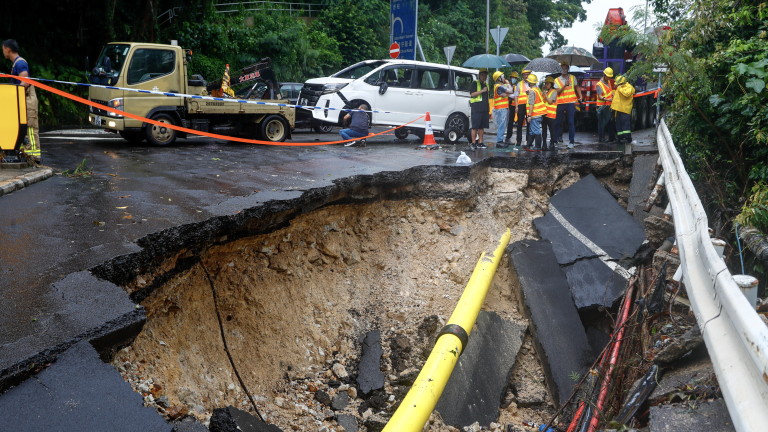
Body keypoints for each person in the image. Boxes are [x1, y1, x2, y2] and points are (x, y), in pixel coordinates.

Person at [3, 39, 40, 163]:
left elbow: (25, 81)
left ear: (7, 49)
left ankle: (34, 157)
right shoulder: (16, 64)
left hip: (28, 100)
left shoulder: (20, 63)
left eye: (3, 49)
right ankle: (26, 155)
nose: (3, 52)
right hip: (22, 101)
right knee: (23, 129)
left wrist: (14, 93)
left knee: (30, 129)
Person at [554, 62, 583, 149]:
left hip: (570, 102)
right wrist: (564, 85)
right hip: (560, 103)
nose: (564, 70)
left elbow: (577, 87)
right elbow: (558, 92)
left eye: (565, 68)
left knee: (571, 122)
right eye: (562, 68)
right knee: (558, 122)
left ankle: (571, 141)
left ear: (568, 69)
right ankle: (555, 140)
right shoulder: (556, 80)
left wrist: (580, 96)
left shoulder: (572, 77)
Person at [507, 69, 531, 147]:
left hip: (529, 106)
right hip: (521, 106)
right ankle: (519, 141)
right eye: (525, 74)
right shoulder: (519, 84)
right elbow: (516, 96)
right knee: (519, 124)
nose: (526, 76)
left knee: (529, 123)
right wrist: (516, 106)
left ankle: (528, 141)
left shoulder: (533, 84)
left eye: (527, 74)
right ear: (522, 76)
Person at [491, 71, 514, 148]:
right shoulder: (499, 86)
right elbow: (511, 91)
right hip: (501, 109)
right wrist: (508, 83)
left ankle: (500, 140)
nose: (504, 77)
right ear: (499, 78)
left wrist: (506, 94)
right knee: (502, 125)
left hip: (500, 108)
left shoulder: (498, 86)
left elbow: (505, 94)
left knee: (502, 125)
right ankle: (499, 142)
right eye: (503, 76)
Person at [611, 75, 636, 144]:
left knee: (625, 125)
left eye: (618, 84)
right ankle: (620, 138)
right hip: (618, 109)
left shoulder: (628, 87)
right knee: (618, 125)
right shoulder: (620, 87)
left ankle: (628, 139)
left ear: (621, 83)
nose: (617, 85)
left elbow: (627, 94)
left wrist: (619, 88)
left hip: (625, 109)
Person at [468, 69, 490, 149]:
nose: (484, 77)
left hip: (484, 108)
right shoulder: (475, 83)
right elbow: (472, 94)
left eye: (486, 75)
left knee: (482, 126)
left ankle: (480, 142)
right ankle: (473, 143)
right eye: (483, 75)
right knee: (475, 126)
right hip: (476, 107)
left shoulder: (486, 84)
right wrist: (482, 91)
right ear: (479, 75)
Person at [525, 74, 547, 151]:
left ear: (530, 82)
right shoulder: (537, 90)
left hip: (535, 115)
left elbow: (531, 104)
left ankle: (537, 146)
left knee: (536, 130)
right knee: (532, 131)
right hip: (539, 114)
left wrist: (529, 115)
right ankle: (528, 145)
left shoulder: (532, 91)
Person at [596, 67, 615, 143]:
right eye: (608, 77)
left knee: (610, 122)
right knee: (602, 123)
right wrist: (607, 99)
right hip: (602, 106)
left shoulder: (609, 82)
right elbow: (600, 96)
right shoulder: (599, 85)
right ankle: (601, 138)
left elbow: (609, 92)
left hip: (609, 105)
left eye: (610, 77)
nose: (609, 78)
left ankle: (611, 138)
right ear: (604, 75)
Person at [541, 76, 558, 151]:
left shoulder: (554, 92)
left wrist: (545, 95)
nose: (546, 85)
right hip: (544, 114)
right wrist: (543, 92)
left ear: (551, 84)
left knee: (552, 130)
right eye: (545, 83)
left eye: (548, 83)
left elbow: (550, 102)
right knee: (544, 130)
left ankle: (552, 144)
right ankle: (544, 144)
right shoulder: (545, 91)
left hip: (551, 115)